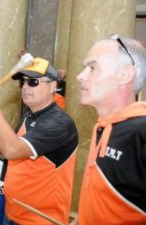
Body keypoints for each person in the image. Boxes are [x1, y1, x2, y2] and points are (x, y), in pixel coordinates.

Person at [0, 57, 78, 225]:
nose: (26, 87)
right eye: (23, 82)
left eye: (33, 82)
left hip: (38, 219)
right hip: (14, 212)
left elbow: (13, 150)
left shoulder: (59, 123)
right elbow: (20, 144)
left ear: (53, 86)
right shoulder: (30, 115)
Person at [71, 35, 146, 225]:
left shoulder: (141, 132)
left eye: (92, 68)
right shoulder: (103, 126)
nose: (80, 76)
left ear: (125, 75)